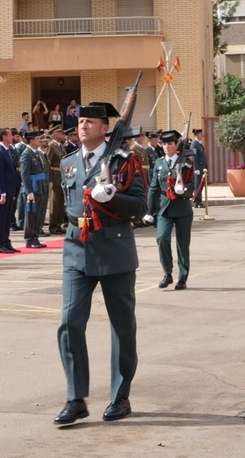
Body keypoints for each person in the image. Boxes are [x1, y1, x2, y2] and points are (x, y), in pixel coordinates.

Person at [55, 101, 145, 425]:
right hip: (76, 248)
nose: (83, 127)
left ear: (105, 128)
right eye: (80, 122)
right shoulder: (68, 162)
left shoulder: (125, 160)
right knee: (69, 323)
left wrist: (113, 197)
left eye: (90, 122)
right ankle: (76, 397)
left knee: (122, 328)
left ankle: (120, 397)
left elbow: (139, 207)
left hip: (114, 249)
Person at [146, 130, 195, 290]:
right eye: (164, 144)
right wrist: (148, 210)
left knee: (182, 244)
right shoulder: (160, 163)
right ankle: (167, 273)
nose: (167, 147)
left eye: (170, 144)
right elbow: (153, 187)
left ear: (176, 145)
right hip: (164, 208)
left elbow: (192, 184)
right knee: (162, 239)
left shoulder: (186, 162)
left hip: (182, 207)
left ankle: (183, 277)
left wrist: (184, 189)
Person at [17, 130, 47, 249]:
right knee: (30, 215)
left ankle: (35, 237)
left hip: (39, 187)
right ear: (32, 140)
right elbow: (24, 174)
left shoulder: (36, 153)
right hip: (32, 188)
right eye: (38, 139)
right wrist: (29, 191)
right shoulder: (26, 154)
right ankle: (29, 239)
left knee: (37, 215)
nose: (40, 141)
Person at [0, 129, 18, 254]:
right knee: (1, 218)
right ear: (4, 136)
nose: (12, 136)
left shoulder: (8, 150)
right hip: (2, 191)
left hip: (10, 189)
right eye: (10, 134)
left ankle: (6, 241)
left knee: (7, 218)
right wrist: (2, 192)